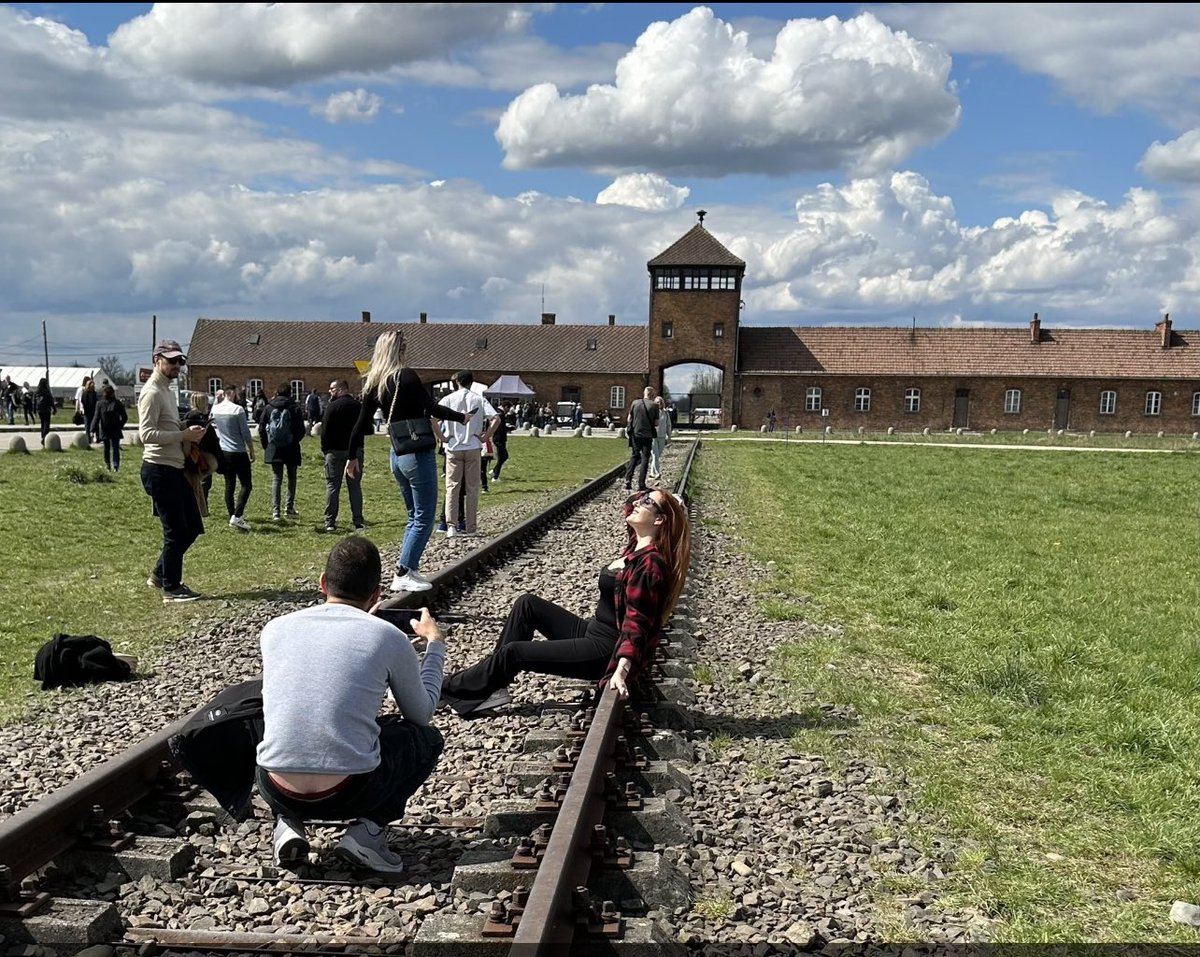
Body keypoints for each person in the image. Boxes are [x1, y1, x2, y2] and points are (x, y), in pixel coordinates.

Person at [255, 537, 447, 873]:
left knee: (285, 722)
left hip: (275, 786)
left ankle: (287, 824)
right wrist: (435, 645)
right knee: (425, 739)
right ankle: (366, 833)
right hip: (352, 791)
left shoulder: (274, 630)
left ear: (323, 583)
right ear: (375, 595)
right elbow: (421, 713)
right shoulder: (389, 638)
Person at [440, 489, 691, 717]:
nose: (638, 502)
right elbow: (629, 504)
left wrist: (622, 670)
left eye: (647, 502)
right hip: (592, 630)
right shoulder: (636, 544)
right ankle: (490, 687)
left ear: (659, 520)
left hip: (605, 649)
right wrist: (662, 499)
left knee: (514, 652)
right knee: (527, 604)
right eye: (641, 498)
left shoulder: (650, 565)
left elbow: (637, 624)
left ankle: (445, 688)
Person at [346, 330, 470, 593]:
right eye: (405, 346)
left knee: (414, 515)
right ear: (399, 349)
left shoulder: (374, 381)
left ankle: (409, 568)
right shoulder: (406, 376)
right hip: (418, 453)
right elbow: (431, 408)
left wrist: (351, 457)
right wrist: (460, 418)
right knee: (424, 515)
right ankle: (404, 570)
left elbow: (360, 423)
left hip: (397, 454)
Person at [138, 339, 207, 603]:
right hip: (159, 468)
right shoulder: (152, 392)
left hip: (173, 468)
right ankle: (171, 587)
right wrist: (182, 434)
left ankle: (159, 575)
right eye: (171, 361)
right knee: (176, 530)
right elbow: (146, 434)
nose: (177, 366)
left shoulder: (167, 389)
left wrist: (188, 430)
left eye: (180, 361)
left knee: (190, 527)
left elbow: (167, 425)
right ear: (157, 361)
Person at [439, 372, 496, 540]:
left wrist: (442, 438)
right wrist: (485, 436)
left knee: (452, 488)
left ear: (457, 382)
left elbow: (433, 418)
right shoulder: (479, 399)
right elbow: (496, 419)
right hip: (473, 447)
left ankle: (451, 526)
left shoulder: (448, 399)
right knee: (472, 489)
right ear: (471, 383)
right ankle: (471, 527)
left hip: (453, 447)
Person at [321, 379, 365, 533]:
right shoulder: (358, 406)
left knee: (333, 486)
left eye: (332, 389)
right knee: (354, 486)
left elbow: (324, 430)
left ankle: (330, 522)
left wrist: (325, 450)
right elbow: (363, 429)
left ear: (340, 389)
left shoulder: (332, 407)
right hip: (354, 451)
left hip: (334, 451)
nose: (330, 392)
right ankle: (358, 521)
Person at [258, 384, 306, 521]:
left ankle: (276, 511)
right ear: (290, 393)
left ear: (276, 392)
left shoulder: (268, 407)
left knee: (276, 478)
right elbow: (301, 429)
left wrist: (266, 445)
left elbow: (261, 428)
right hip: (291, 447)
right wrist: (294, 440)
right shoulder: (294, 407)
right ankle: (289, 508)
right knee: (292, 478)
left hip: (274, 447)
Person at [212, 387, 255, 531]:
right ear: (233, 394)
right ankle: (237, 515)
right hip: (239, 451)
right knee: (246, 485)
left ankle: (232, 515)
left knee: (229, 485)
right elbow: (245, 433)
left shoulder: (216, 409)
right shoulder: (238, 410)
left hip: (224, 451)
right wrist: (252, 450)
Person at [624, 386, 659, 492]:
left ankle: (628, 480)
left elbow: (629, 418)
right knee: (645, 459)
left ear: (644, 393)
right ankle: (641, 483)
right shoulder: (654, 406)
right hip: (647, 435)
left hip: (635, 434)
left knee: (634, 456)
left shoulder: (635, 403)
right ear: (652, 394)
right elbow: (656, 423)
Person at [92, 384, 127, 472]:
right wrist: (92, 429)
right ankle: (110, 465)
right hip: (106, 429)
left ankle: (114, 465)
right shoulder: (100, 404)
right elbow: (96, 417)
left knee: (113, 448)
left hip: (113, 428)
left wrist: (120, 425)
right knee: (108, 448)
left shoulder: (116, 403)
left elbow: (124, 417)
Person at [648, 395, 672, 480]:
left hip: (662, 436)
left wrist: (669, 435)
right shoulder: (652, 412)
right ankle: (657, 473)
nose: (659, 403)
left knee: (658, 456)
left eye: (661, 402)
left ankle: (651, 472)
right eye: (657, 402)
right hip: (653, 437)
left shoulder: (665, 413)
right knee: (655, 455)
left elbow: (668, 425)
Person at [490, 403, 511, 483]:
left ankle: (494, 470)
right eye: (508, 408)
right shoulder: (501, 415)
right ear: (505, 407)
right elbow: (502, 428)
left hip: (497, 438)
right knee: (502, 457)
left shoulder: (497, 412)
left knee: (504, 456)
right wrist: (511, 428)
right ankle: (495, 477)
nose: (508, 411)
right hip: (499, 438)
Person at [35, 378, 54, 446]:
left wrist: (35, 410)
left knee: (42, 423)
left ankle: (43, 436)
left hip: (40, 409)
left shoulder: (37, 391)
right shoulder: (47, 391)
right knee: (46, 423)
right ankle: (45, 437)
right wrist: (54, 408)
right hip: (46, 409)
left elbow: (34, 401)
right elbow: (51, 400)